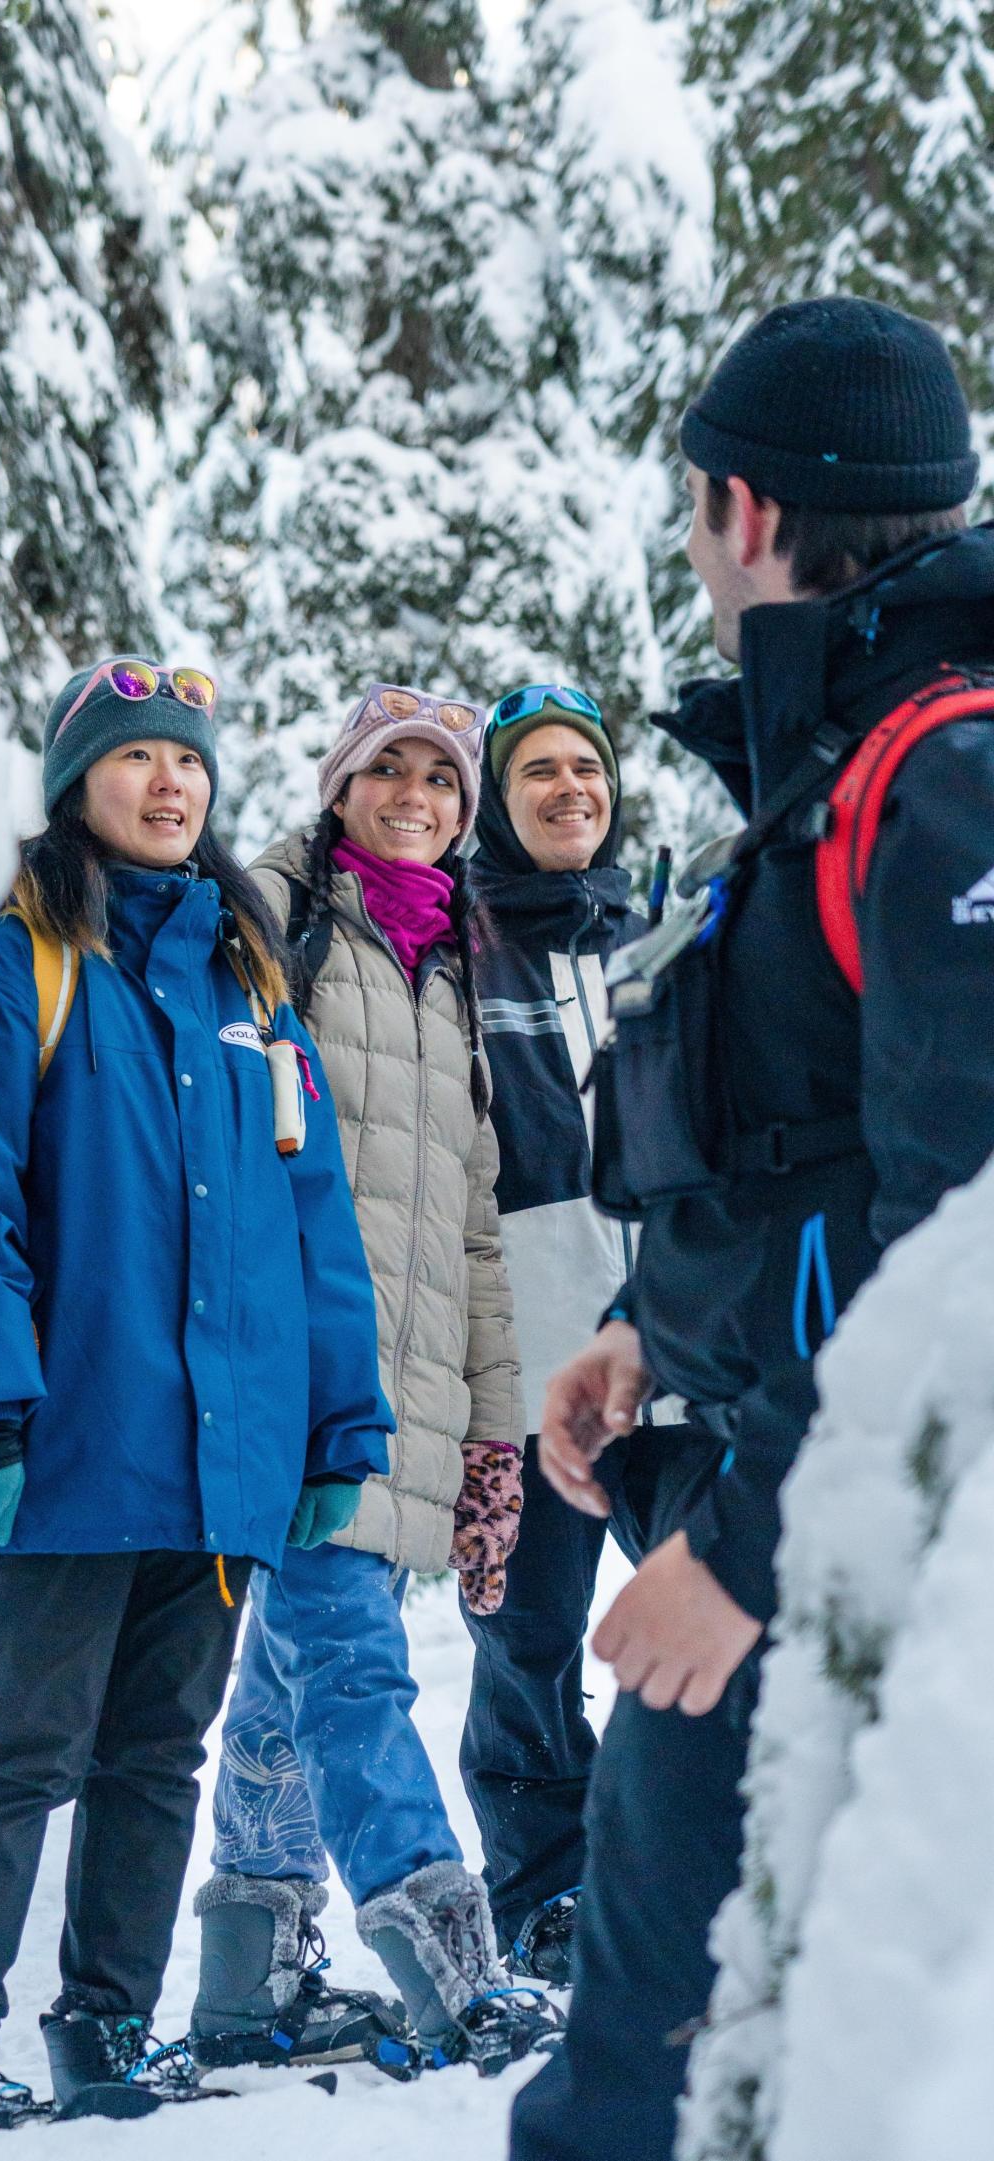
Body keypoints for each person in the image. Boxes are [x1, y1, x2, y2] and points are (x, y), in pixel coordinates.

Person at [510, 297, 994, 2161]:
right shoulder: (832, 770)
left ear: (742, 506)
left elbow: (968, 1233)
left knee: (652, 2076)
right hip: (767, 1506)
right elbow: (812, 1154)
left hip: (849, 1561)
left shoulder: (942, 776)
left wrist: (747, 1543)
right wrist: (651, 1328)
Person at [0, 657, 393, 2129]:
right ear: (74, 787)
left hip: (224, 1458)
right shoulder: (14, 960)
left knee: (154, 1754)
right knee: (18, 1751)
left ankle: (108, 2022)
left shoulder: (250, 983)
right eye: (137, 759)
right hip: (70, 1442)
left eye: (189, 761)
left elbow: (320, 1229)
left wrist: (338, 1421)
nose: (171, 783)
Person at [186, 684, 544, 2080]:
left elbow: (470, 1221)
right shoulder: (272, 918)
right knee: (350, 1661)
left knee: (291, 1679)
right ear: (339, 785)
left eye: (444, 780)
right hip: (289, 1376)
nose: (419, 796)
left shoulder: (454, 963)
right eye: (389, 769)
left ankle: (248, 1980)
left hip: (413, 1397)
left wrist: (494, 1433)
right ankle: (459, 1967)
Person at [459, 683, 682, 1983]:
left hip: (664, 1349)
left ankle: (696, 1855)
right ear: (499, 795)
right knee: (529, 1643)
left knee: (712, 1601)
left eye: (584, 771)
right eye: (537, 771)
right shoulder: (452, 944)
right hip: (522, 1352)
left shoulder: (654, 934)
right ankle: (547, 1890)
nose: (567, 792)